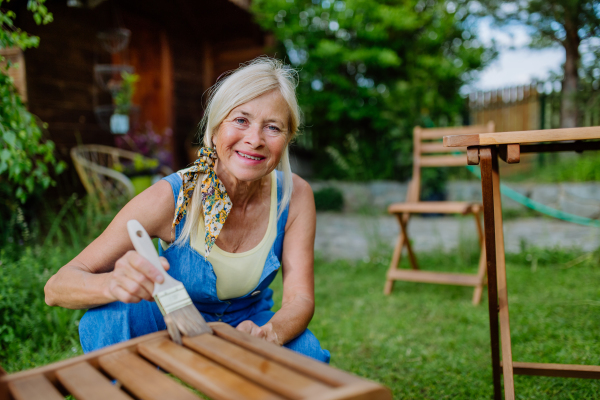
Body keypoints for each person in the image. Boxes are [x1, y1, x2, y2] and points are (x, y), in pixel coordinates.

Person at [44, 57, 330, 363]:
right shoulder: (170, 197)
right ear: (216, 127)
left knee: (307, 356)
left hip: (247, 320)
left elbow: (299, 298)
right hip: (168, 317)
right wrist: (113, 284)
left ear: (288, 138)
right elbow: (57, 287)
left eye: (272, 127)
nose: (254, 139)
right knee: (110, 320)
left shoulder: (294, 195)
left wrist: (270, 333)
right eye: (241, 120)